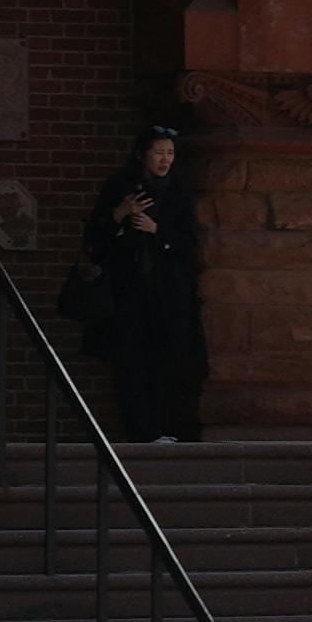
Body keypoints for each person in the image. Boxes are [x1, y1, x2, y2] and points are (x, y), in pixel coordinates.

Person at [69, 118, 209, 442]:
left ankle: (166, 427)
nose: (165, 160)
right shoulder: (120, 186)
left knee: (166, 361)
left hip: (167, 293)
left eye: (170, 153)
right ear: (142, 155)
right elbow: (95, 239)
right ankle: (142, 431)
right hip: (127, 292)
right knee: (130, 362)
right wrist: (119, 214)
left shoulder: (178, 191)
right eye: (158, 152)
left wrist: (157, 232)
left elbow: (189, 242)